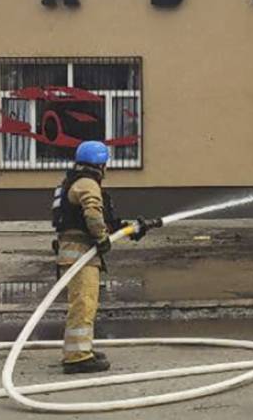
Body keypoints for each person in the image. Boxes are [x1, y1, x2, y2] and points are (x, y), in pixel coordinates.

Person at [52, 141, 159, 374]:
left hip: (75, 255)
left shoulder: (75, 181)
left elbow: (97, 219)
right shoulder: (87, 184)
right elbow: (92, 212)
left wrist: (128, 228)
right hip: (80, 256)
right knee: (84, 304)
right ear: (100, 163)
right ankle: (77, 357)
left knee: (84, 303)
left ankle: (82, 350)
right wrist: (101, 238)